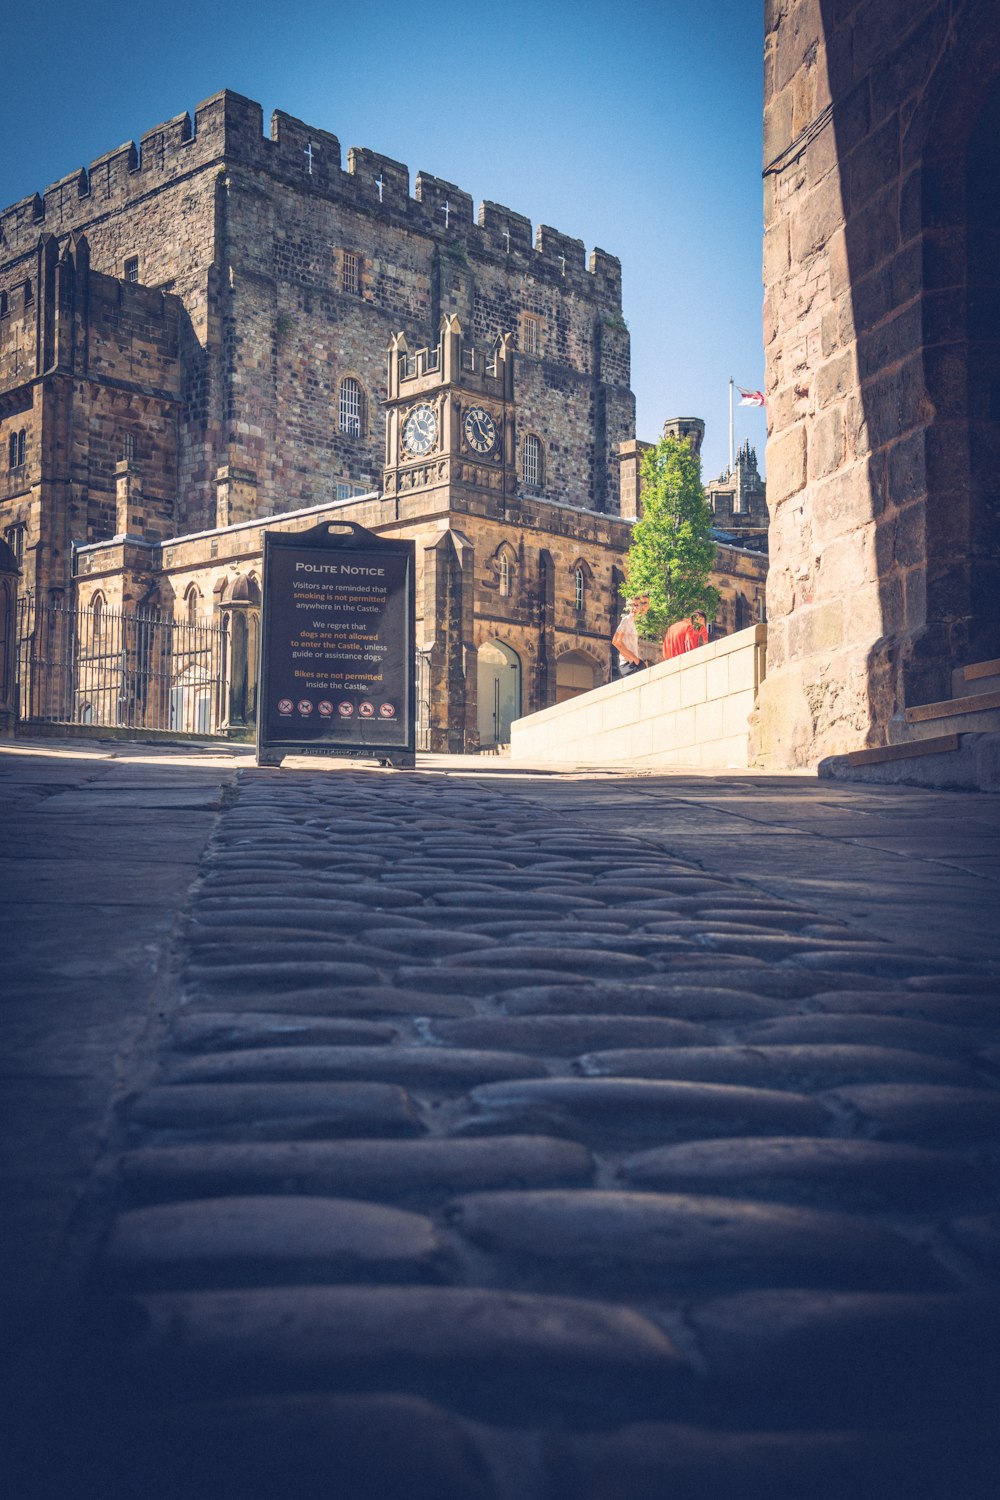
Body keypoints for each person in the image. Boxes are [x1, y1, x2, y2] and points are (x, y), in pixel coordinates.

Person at [612, 595, 650, 677]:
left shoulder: (634, 623)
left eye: (637, 605)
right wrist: (633, 659)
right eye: (632, 605)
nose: (634, 608)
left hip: (634, 663)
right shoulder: (626, 620)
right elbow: (616, 642)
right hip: (628, 664)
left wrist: (640, 660)